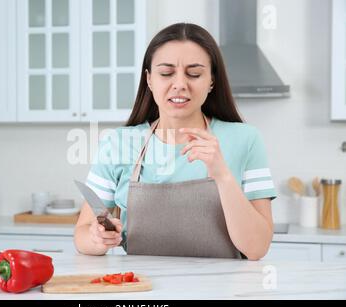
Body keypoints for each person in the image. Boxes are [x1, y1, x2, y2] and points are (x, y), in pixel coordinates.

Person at [74, 23, 277, 260]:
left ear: (212, 80)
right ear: (149, 80)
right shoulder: (117, 143)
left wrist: (222, 175)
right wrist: (97, 238)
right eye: (166, 73)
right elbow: (82, 233)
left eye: (194, 73)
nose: (180, 84)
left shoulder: (245, 140)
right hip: (143, 289)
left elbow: (257, 248)